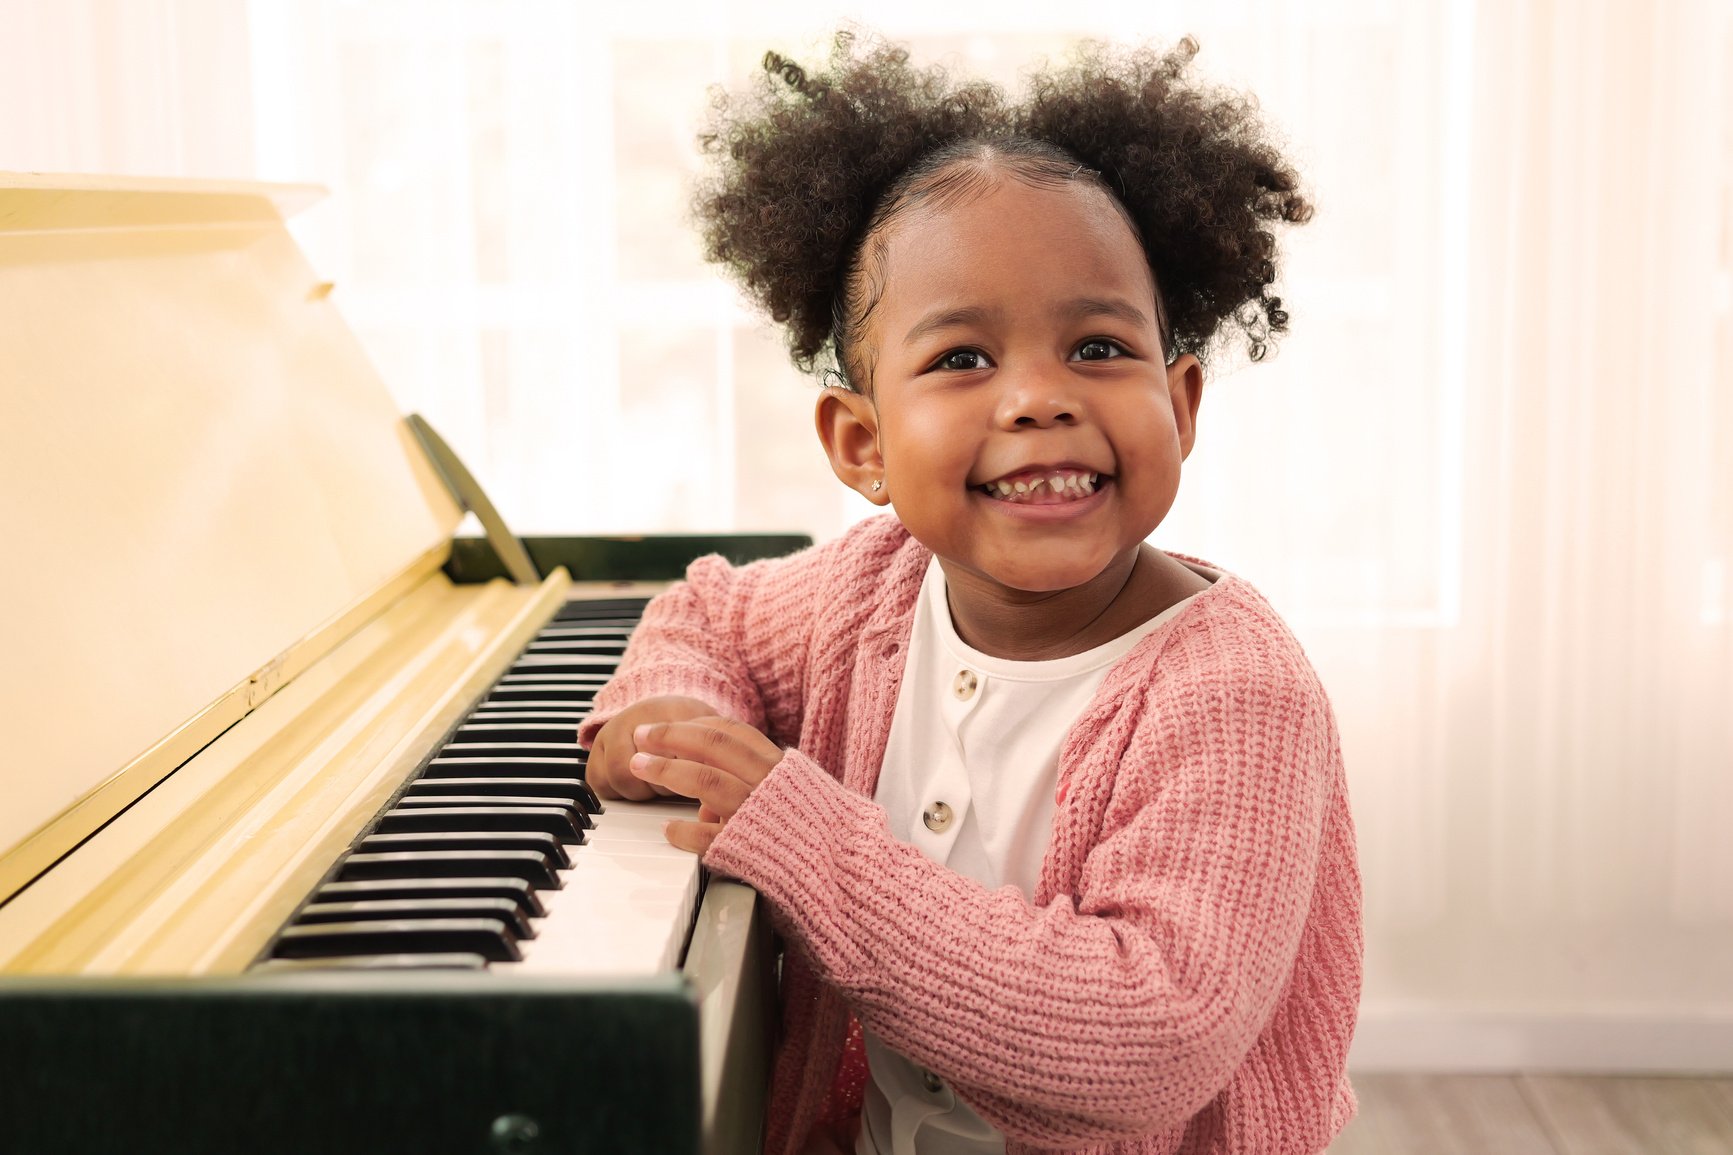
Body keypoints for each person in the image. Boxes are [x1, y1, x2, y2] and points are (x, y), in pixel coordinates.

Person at [579, 30, 1362, 1155]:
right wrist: (679, 721)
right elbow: (704, 616)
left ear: (1180, 404)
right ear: (862, 443)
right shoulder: (870, 592)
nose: (1038, 398)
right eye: (960, 360)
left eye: (1097, 347)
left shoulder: (1232, 694)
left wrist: (806, 835)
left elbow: (1143, 1040)